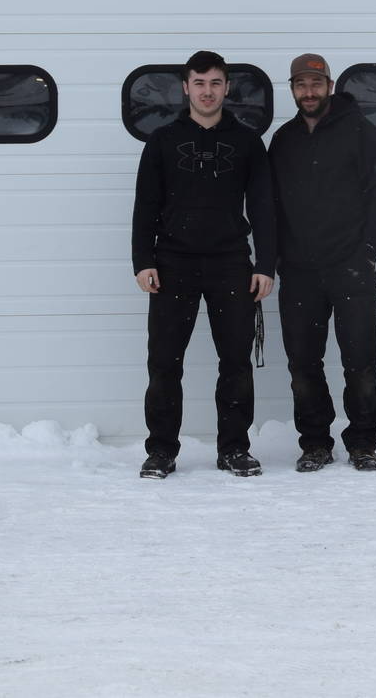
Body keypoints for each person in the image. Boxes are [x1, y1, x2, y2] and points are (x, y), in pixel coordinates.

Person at [131, 50, 276, 480]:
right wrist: (143, 260)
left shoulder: (248, 141)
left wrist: (265, 263)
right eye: (199, 83)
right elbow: (145, 207)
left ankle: (233, 449)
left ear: (227, 87)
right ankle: (161, 451)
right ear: (185, 87)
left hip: (231, 264)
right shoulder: (162, 141)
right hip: (172, 264)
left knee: (234, 361)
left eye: (215, 83)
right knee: (164, 363)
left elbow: (264, 207)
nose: (207, 91)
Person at [269, 53, 376, 473]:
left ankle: (363, 442)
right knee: (303, 365)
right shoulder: (284, 140)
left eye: (315, 84)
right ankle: (315, 443)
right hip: (300, 273)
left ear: (329, 85)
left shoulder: (361, 132)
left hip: (351, 269)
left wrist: (367, 253)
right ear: (292, 90)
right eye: (300, 85)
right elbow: (269, 204)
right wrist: (274, 260)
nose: (308, 92)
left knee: (360, 363)